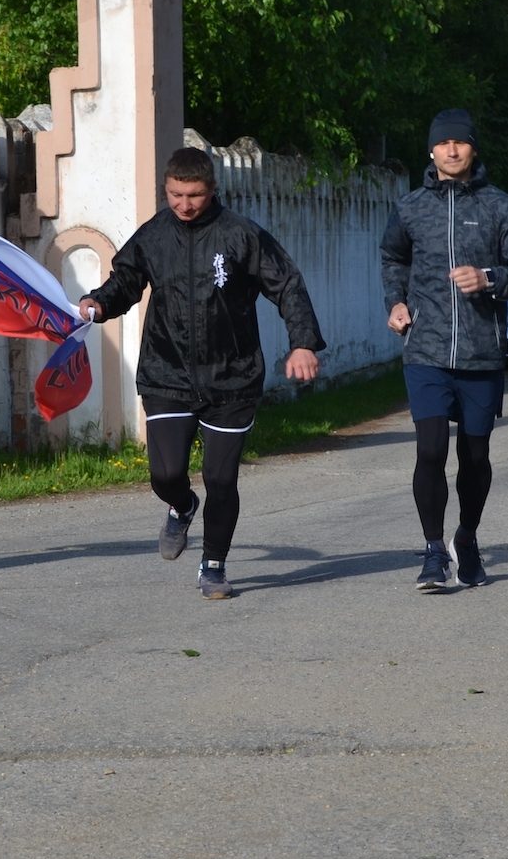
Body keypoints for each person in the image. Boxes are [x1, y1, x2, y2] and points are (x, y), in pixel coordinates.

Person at [77, 147, 325, 600]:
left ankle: (214, 565)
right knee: (166, 474)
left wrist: (303, 342)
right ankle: (182, 506)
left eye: (193, 195)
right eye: (175, 195)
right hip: (166, 372)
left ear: (212, 190)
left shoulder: (240, 234)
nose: (184, 204)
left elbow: (286, 283)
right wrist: (99, 302)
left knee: (221, 479)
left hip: (232, 377)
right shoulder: (154, 235)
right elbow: (125, 280)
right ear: (166, 190)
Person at [380, 108, 508, 593]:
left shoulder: (500, 206)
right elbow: (392, 258)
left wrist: (489, 278)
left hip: (480, 351)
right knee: (430, 450)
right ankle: (433, 552)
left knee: (475, 456)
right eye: (443, 143)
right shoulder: (410, 207)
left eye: (460, 142)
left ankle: (466, 538)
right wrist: (396, 302)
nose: (452, 150)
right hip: (425, 350)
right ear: (431, 150)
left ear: (473, 148)